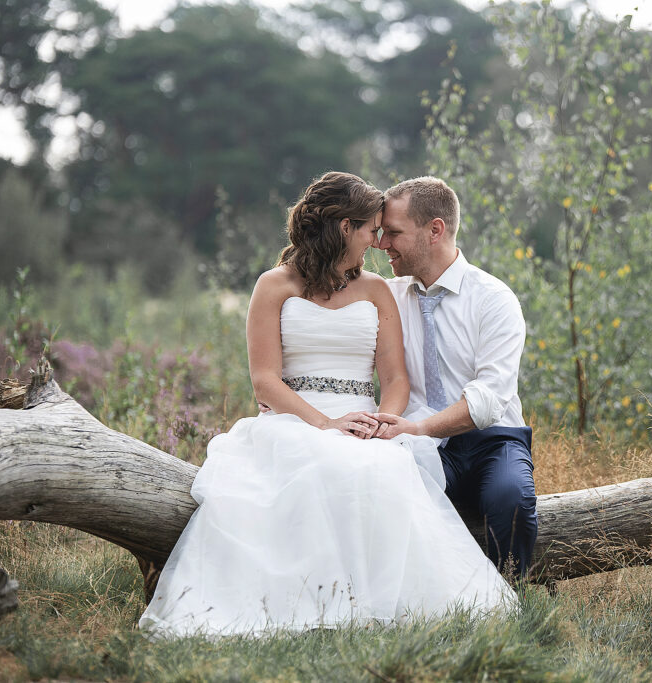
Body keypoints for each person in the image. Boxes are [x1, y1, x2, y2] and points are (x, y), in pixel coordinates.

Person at [139, 172, 514, 637]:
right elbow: (263, 380)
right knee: (312, 468)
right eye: (371, 230)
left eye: (384, 232)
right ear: (343, 228)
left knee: (378, 469)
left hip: (363, 419)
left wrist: (384, 421)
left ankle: (377, 604)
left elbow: (396, 378)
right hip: (295, 417)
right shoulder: (273, 286)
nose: (377, 242)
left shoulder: (377, 290)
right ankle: (304, 602)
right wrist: (324, 423)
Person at [369, 176, 537, 579]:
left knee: (511, 496)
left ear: (435, 230)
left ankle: (510, 604)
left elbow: (489, 399)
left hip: (490, 441)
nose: (381, 244)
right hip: (409, 441)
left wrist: (420, 427)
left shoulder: (494, 299)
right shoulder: (385, 296)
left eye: (393, 233)